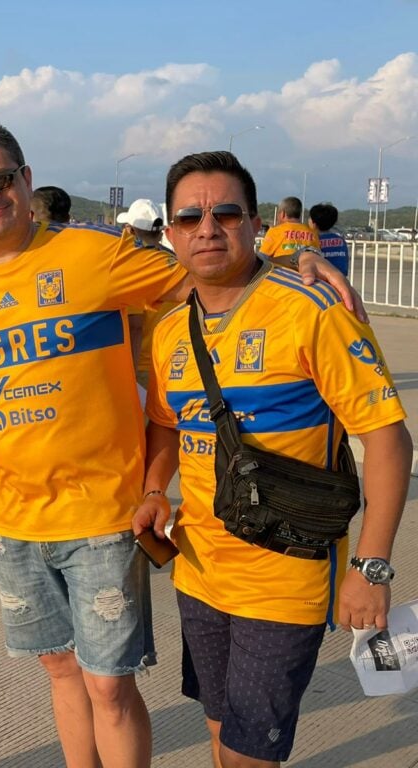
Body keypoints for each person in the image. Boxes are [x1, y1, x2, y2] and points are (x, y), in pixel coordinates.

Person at [0, 123, 355, 768]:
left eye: (0, 180)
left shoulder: (92, 254)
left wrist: (295, 263)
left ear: (25, 181)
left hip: (104, 511)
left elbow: (203, 271)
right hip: (14, 520)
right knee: (62, 674)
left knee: (107, 683)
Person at [133, 150, 412, 768]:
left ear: (255, 222)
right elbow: (164, 424)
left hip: (287, 574)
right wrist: (155, 489)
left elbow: (388, 438)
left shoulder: (311, 309)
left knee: (246, 756)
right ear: (172, 233)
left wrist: (372, 566)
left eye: (226, 212)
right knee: (216, 728)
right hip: (199, 569)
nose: (208, 228)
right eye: (190, 217)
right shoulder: (171, 328)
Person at [116, 198, 172, 388]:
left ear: (130, 231)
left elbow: (135, 327)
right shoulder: (173, 263)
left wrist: (129, 376)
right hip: (173, 360)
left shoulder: (135, 269)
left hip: (143, 366)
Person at [309, 202, 349, 276]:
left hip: (321, 283)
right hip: (340, 280)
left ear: (314, 223)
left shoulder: (312, 241)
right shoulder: (341, 241)